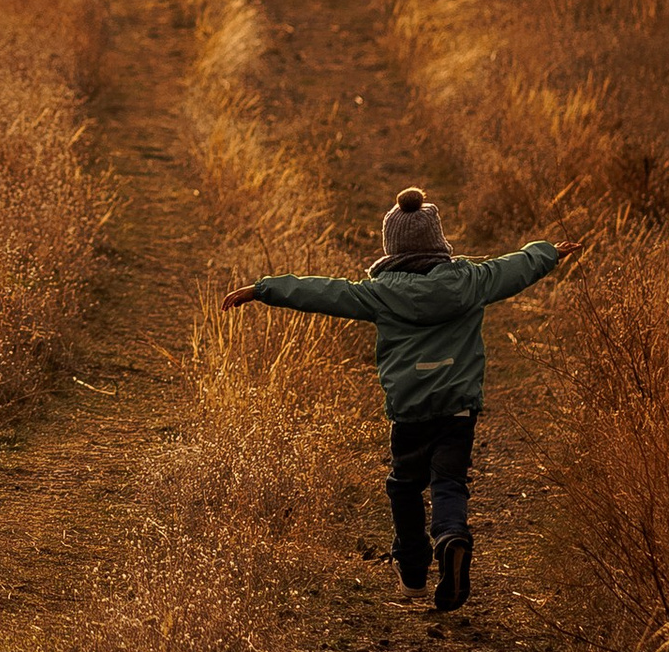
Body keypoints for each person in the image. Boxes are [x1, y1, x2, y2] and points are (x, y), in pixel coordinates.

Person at [220, 191, 565, 615]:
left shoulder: (379, 295)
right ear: (439, 242)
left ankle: (415, 571)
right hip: (457, 409)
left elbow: (323, 292)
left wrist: (264, 289)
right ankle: (452, 536)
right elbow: (517, 267)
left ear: (391, 248)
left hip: (410, 410)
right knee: (449, 482)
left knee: (404, 487)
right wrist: (548, 252)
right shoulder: (473, 281)